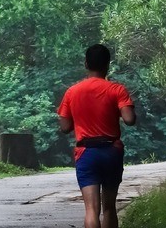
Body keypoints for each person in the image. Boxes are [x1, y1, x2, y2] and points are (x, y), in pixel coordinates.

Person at [57, 44, 136, 228]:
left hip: (86, 153)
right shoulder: (117, 90)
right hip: (111, 152)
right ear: (107, 65)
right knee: (109, 208)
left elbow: (65, 126)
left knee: (91, 210)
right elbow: (129, 119)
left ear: (86, 64)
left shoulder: (72, 92)